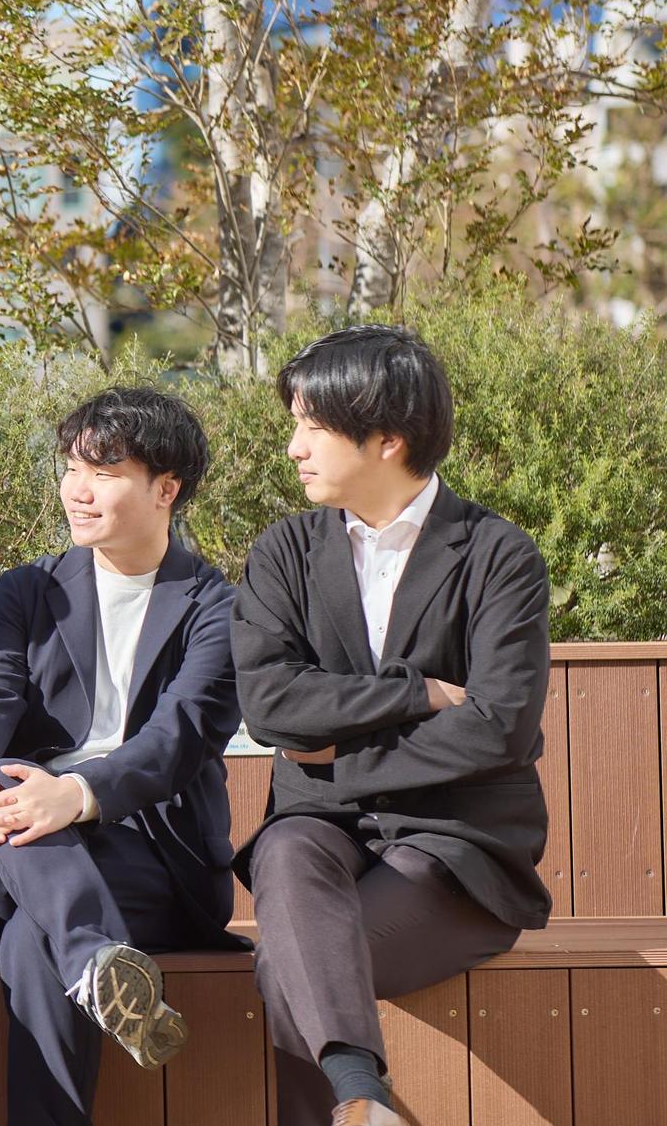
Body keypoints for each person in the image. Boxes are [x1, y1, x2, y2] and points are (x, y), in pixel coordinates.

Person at [233, 325, 550, 1126]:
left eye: (313, 426)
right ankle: (362, 1104)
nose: (295, 447)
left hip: (457, 851)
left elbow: (500, 729)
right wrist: (419, 693)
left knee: (290, 963)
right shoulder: (285, 553)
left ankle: (355, 1101)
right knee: (285, 849)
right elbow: (271, 705)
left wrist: (330, 757)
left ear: (386, 439)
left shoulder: (497, 555)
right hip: (318, 836)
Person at [0, 387, 243, 1125]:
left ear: (166, 489)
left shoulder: (216, 606)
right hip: (19, 842)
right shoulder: (28, 591)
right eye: (71, 467)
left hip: (150, 852)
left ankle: (86, 954)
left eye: (104, 472)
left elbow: (180, 737)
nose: (77, 489)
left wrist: (76, 793)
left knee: (31, 943)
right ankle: (97, 959)